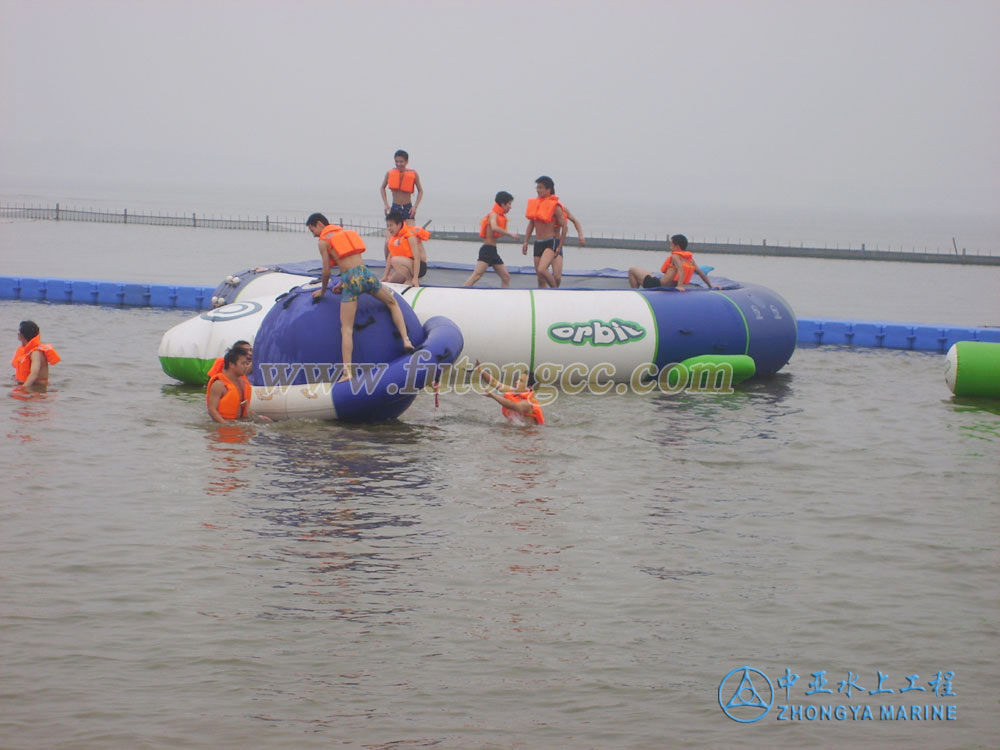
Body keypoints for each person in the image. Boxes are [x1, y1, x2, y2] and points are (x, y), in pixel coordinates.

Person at [307, 212, 415, 382]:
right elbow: (352, 263)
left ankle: (347, 372)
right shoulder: (344, 233)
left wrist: (323, 290)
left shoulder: (323, 241)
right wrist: (341, 283)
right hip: (366, 274)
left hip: (351, 280)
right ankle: (406, 339)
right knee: (392, 302)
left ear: (319, 224)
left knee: (346, 328)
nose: (313, 234)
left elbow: (327, 271)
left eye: (312, 229)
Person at [464, 191, 520, 288]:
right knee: (476, 276)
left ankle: (505, 296)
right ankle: (461, 291)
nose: (510, 207)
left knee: (506, 277)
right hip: (487, 250)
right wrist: (510, 234)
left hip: (493, 251)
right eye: (509, 204)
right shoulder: (493, 214)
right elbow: (494, 227)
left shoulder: (500, 215)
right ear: (502, 204)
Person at [521, 175, 567, 288]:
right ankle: (542, 300)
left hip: (550, 242)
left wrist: (560, 246)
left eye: (541, 188)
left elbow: (565, 227)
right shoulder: (536, 204)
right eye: (537, 187)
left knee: (543, 270)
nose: (538, 190)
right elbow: (531, 224)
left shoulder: (555, 206)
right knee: (540, 279)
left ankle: (556, 291)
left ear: (548, 189)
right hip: (538, 242)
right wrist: (526, 241)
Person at [628, 234, 719, 291]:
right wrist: (710, 286)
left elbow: (681, 270)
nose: (670, 247)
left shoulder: (675, 256)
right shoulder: (690, 260)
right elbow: (701, 274)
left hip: (658, 285)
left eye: (671, 245)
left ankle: (635, 293)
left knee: (632, 270)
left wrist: (680, 286)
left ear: (677, 246)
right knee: (648, 273)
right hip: (660, 282)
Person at [474, 359, 545, 425]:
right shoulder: (514, 391)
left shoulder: (528, 403)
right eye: (518, 379)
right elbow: (494, 383)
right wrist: (480, 370)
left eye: (521, 381)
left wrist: (493, 396)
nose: (516, 381)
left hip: (528, 434)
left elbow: (513, 405)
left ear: (529, 388)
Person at [206, 343, 253, 423]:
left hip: (239, 423)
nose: (246, 366)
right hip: (222, 427)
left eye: (246, 364)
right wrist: (225, 425)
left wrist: (259, 418)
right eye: (243, 363)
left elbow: (246, 409)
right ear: (231, 364)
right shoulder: (219, 385)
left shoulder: (243, 383)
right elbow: (212, 410)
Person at [382, 209, 426, 286]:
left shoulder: (409, 236)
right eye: (387, 226)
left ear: (399, 225)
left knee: (395, 260)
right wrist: (385, 276)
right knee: (392, 281)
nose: (389, 228)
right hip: (406, 265)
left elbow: (417, 257)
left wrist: (415, 278)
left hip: (419, 267)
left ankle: (410, 280)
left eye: (391, 225)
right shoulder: (395, 238)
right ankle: (407, 278)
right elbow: (389, 258)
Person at [12, 320, 60, 391]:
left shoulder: (35, 353)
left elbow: (34, 374)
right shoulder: (27, 350)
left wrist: (22, 388)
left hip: (37, 388)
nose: (17, 334)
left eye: (18, 332)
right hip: (29, 385)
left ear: (22, 335)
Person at [379, 149, 423, 224]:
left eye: (401, 161)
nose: (399, 164)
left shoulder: (414, 174)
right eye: (396, 161)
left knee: (410, 232)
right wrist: (386, 204)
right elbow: (382, 188)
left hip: (408, 207)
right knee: (393, 232)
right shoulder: (390, 173)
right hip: (395, 207)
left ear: (406, 162)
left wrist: (415, 207)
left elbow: (420, 191)